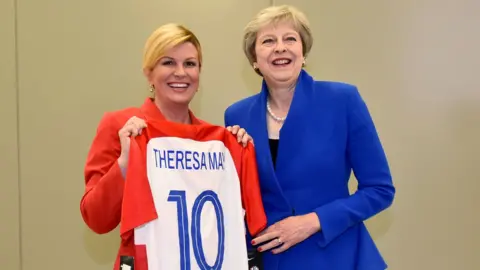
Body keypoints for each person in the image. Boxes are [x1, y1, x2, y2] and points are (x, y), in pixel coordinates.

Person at [224, 5, 396, 270]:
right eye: (268, 41)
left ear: (303, 53)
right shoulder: (236, 116)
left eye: (290, 39)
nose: (280, 47)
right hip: (272, 261)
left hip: (339, 257)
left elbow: (380, 190)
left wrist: (312, 221)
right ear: (254, 60)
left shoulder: (343, 100)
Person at [80, 23, 263, 270]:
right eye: (168, 63)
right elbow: (96, 219)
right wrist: (124, 163)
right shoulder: (121, 127)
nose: (180, 73)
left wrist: (237, 150)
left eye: (190, 64)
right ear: (149, 72)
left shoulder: (216, 144)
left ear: (199, 74)